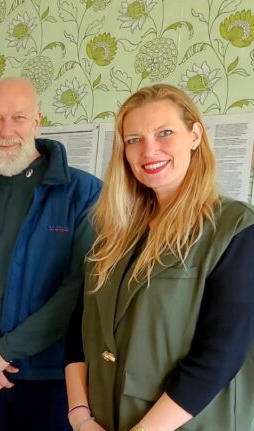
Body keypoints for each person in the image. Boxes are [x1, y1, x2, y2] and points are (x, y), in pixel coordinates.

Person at [65, 84, 254, 431]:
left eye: (164, 133)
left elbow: (220, 354)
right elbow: (80, 328)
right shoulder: (113, 233)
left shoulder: (234, 227)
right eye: (134, 139)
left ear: (195, 135)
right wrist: (80, 417)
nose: (149, 150)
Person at [0, 77, 101, 431]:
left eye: (18, 118)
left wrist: (4, 351)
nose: (6, 130)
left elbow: (80, 287)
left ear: (37, 121)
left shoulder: (83, 193)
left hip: (50, 378)